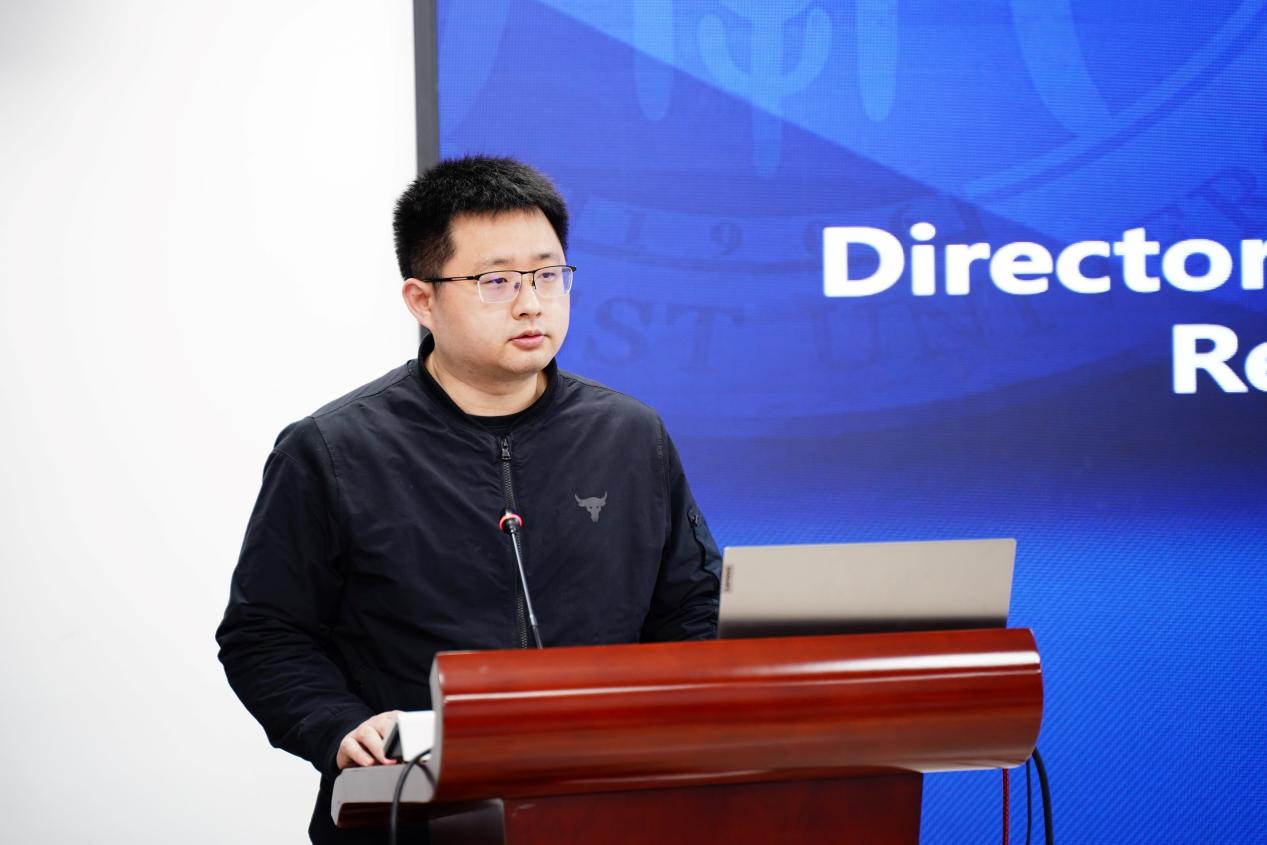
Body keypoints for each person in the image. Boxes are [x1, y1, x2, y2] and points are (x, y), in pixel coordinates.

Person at [215, 156, 722, 843]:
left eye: (548, 274)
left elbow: (691, 607)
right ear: (422, 300)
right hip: (412, 811)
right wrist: (336, 725)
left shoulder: (631, 434)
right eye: (496, 281)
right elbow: (264, 633)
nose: (531, 303)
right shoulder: (332, 449)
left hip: (607, 804)